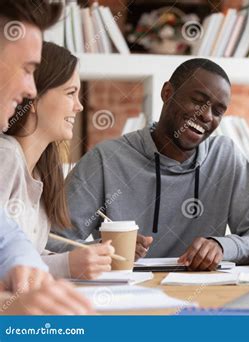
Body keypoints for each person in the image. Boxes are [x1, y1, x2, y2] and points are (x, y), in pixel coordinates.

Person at [49, 58, 249, 271]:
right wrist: (102, 251)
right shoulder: (105, 159)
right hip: (126, 296)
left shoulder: (226, 157)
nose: (207, 116)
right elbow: (52, 242)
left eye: (218, 111)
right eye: (198, 101)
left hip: (201, 295)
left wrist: (223, 246)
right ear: (167, 93)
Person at [0, 0, 92, 315]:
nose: (29, 88)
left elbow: (12, 245)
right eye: (27, 70)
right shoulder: (6, 155)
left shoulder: (41, 176)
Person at [1, 41, 114, 279]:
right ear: (32, 97)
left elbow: (26, 256)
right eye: (70, 93)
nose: (79, 106)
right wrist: (67, 265)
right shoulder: (6, 156)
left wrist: (85, 255)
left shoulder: (41, 173)